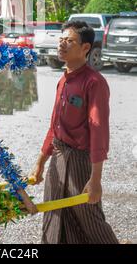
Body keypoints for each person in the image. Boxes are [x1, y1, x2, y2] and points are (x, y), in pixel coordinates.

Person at [32, 21, 119, 244]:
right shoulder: (63, 80)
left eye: (69, 41)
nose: (62, 44)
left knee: (89, 217)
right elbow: (55, 126)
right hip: (58, 158)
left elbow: (99, 131)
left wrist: (96, 179)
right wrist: (41, 161)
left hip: (80, 161)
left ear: (85, 48)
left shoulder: (94, 82)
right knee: (54, 215)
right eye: (61, 40)